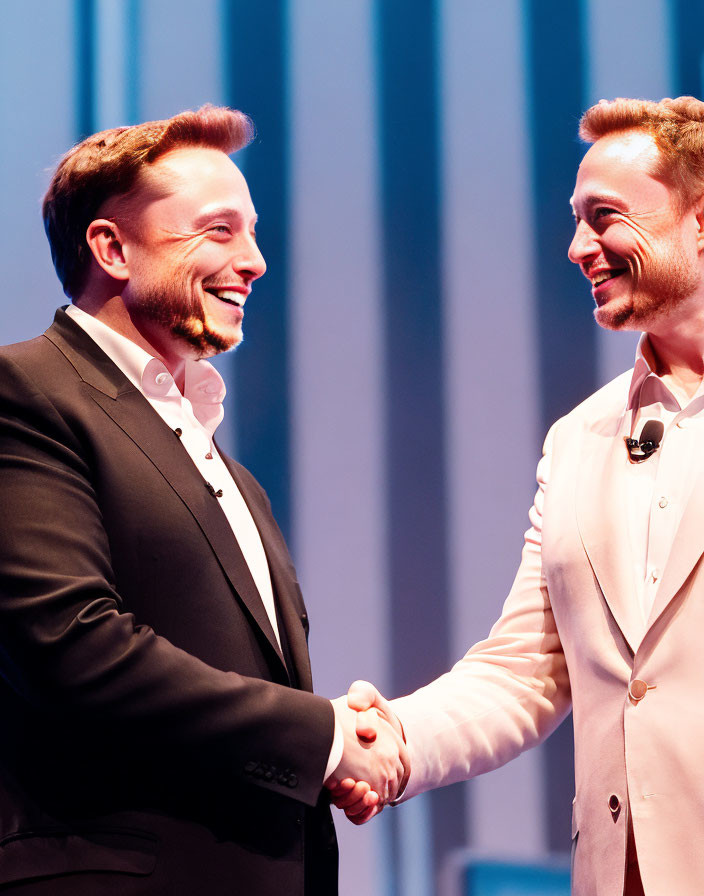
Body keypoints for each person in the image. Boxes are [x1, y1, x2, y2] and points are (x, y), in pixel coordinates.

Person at [0, 105, 407, 896]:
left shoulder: (228, 470)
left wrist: (324, 759)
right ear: (111, 248)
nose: (254, 260)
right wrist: (323, 738)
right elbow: (70, 645)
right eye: (218, 231)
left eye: (252, 232)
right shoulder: (25, 393)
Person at [337, 96, 704, 896]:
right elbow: (524, 670)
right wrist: (391, 740)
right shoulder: (580, 437)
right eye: (575, 219)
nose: (578, 247)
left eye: (603, 216)